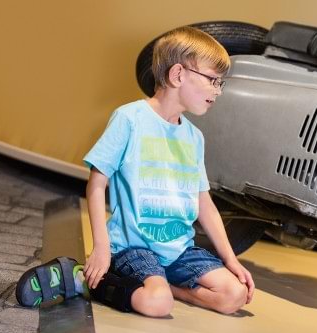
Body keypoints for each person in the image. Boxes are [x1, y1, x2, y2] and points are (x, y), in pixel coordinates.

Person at [15, 26, 254, 317]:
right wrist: (101, 247)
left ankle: (161, 286)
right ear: (178, 75)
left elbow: (205, 204)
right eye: (212, 80)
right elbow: (96, 184)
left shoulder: (194, 138)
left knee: (234, 295)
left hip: (178, 251)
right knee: (158, 304)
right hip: (134, 247)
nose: (217, 91)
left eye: (220, 83)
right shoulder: (129, 119)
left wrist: (231, 260)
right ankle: (83, 279)